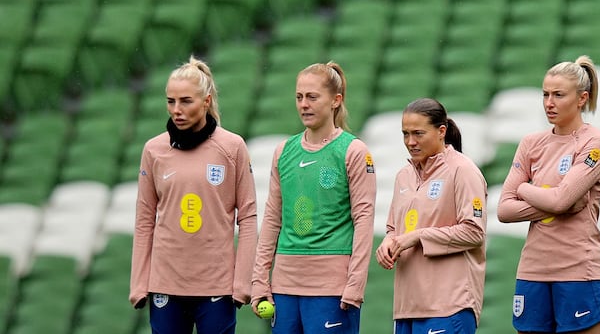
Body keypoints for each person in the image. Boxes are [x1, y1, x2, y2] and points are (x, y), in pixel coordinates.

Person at [130, 54, 258, 334]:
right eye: (170, 101)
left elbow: (248, 217)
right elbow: (144, 220)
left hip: (216, 285)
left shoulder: (232, 147)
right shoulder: (153, 150)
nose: (177, 109)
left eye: (186, 101)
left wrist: (242, 281)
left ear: (206, 101)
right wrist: (139, 282)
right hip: (165, 284)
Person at [251, 61, 376, 334]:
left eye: (312, 97)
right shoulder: (284, 151)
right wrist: (260, 279)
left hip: (332, 287)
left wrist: (355, 283)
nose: (304, 104)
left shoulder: (353, 151)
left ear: (336, 100)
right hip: (284, 285)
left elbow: (364, 221)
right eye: (299, 97)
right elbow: (272, 218)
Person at [497, 55, 600, 334]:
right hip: (532, 270)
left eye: (558, 95)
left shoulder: (595, 143)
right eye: (545, 94)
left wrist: (524, 190)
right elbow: (504, 209)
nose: (549, 103)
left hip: (578, 269)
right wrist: (554, 200)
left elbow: (560, 199)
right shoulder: (531, 143)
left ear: (581, 98)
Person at [375, 97, 488, 333]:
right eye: (405, 134)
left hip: (448, 305)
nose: (410, 142)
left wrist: (417, 236)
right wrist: (388, 242)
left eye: (418, 133)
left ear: (441, 131)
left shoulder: (463, 171)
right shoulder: (403, 176)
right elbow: (394, 229)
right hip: (406, 306)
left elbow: (474, 232)